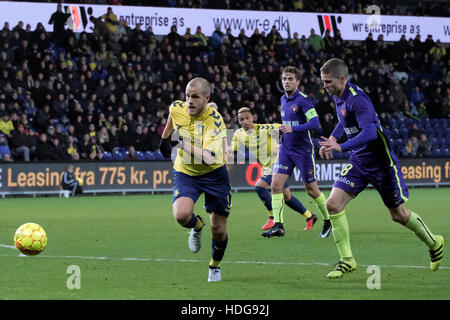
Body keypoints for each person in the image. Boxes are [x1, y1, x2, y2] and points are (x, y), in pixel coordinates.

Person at [318, 58, 444, 279]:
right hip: (359, 161)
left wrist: (341, 146)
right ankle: (347, 260)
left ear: (342, 79)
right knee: (332, 204)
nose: (325, 86)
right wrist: (332, 137)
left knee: (398, 215)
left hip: (381, 164)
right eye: (323, 82)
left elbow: (370, 133)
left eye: (328, 82)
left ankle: (434, 242)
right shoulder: (339, 97)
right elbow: (344, 120)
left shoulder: (358, 99)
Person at [159, 78, 231, 282]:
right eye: (187, 96)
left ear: (207, 98)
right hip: (186, 172)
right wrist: (164, 139)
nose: (189, 101)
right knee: (181, 215)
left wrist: (180, 142)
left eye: (195, 97)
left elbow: (209, 158)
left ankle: (214, 266)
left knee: (218, 230)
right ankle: (197, 225)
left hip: (214, 176)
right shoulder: (177, 107)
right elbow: (172, 119)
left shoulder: (215, 122)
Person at [262, 66, 331, 238]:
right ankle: (279, 225)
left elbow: (315, 123)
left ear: (298, 82)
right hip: (286, 149)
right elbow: (288, 125)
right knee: (276, 185)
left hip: (303, 151)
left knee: (311, 190)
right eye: (284, 78)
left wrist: (293, 129)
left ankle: (328, 219)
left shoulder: (303, 100)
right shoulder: (283, 100)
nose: (287, 82)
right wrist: (281, 131)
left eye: (290, 78)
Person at [231, 107, 317, 231]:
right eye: (241, 119)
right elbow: (231, 150)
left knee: (260, 186)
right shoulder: (238, 134)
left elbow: (284, 128)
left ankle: (272, 217)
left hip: (280, 163)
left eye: (247, 118)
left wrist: (281, 139)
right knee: (286, 197)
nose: (244, 121)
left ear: (253, 118)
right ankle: (310, 216)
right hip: (268, 167)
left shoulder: (265, 128)